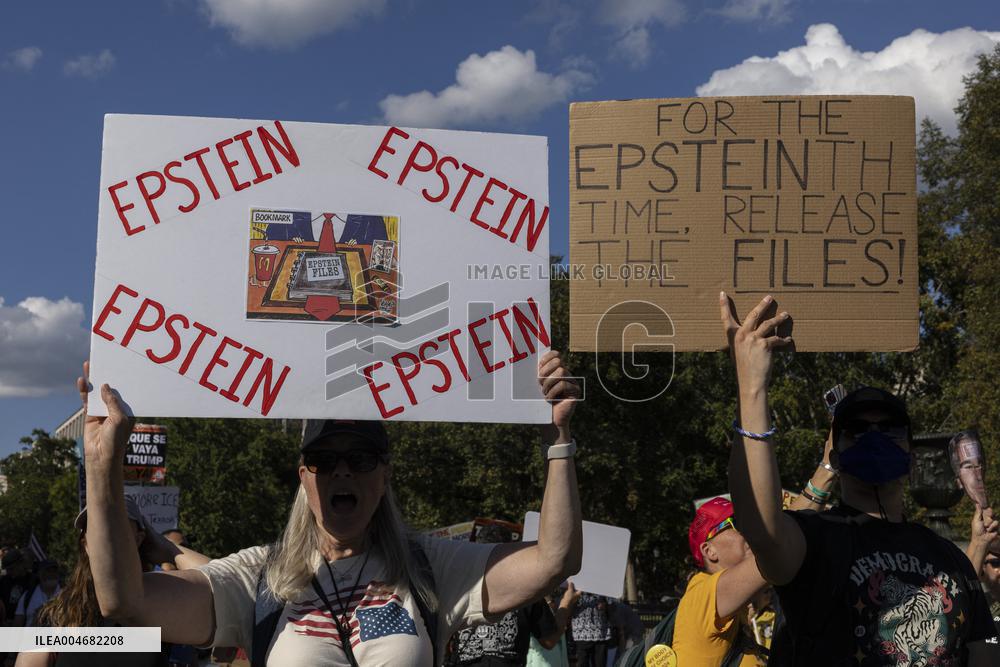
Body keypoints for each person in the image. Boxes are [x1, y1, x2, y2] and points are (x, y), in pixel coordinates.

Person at [79, 350, 582, 666]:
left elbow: (554, 559)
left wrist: (558, 442)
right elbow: (125, 600)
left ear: (383, 476)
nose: (342, 472)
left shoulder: (432, 569)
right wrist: (103, 467)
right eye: (324, 459)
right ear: (304, 478)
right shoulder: (257, 577)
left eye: (360, 459)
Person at [720, 292, 1000, 664]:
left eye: (889, 428)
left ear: (911, 456)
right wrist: (752, 387)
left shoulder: (950, 557)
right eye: (856, 429)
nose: (874, 437)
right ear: (835, 455)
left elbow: (983, 653)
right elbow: (761, 526)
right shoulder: (813, 538)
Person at [15, 498, 210, 667]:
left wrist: (168, 549)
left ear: (139, 538)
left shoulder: (162, 603)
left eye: (119, 527)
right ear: (86, 544)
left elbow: (227, 584)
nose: (107, 537)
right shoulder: (57, 614)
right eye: (98, 528)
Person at [447, 524, 566, 665]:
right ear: (509, 552)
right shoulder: (527, 587)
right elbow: (549, 640)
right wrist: (567, 603)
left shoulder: (458, 585)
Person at [671, 496, 768, 666]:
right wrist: (823, 477)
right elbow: (775, 549)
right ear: (710, 551)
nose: (749, 530)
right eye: (737, 523)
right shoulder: (704, 593)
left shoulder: (734, 608)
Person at [525, 583, 581, 667]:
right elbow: (549, 640)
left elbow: (562, 624)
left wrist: (569, 602)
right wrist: (566, 602)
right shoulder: (531, 597)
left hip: (558, 660)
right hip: (540, 662)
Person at [569, 591, 611, 666]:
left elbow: (611, 606)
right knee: (583, 663)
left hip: (600, 634)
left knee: (600, 664)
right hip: (581, 634)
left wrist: (604, 605)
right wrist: (576, 597)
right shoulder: (576, 590)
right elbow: (569, 608)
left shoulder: (602, 590)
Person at [13, 561, 60, 627]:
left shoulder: (67, 596)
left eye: (54, 571)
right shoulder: (28, 596)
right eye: (47, 571)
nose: (51, 574)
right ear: (39, 574)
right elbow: (17, 625)